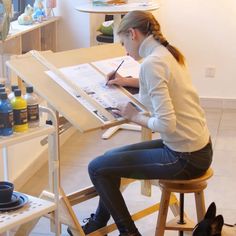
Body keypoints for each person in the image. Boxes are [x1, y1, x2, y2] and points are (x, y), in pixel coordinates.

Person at [72, 10, 213, 236]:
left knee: (97, 168)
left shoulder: (153, 63)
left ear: (133, 33)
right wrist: (125, 81)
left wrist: (133, 116)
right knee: (107, 160)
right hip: (197, 148)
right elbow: (158, 84)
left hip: (185, 158)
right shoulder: (166, 53)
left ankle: (128, 232)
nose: (125, 49)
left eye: (123, 42)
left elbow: (167, 125)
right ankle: (99, 222)